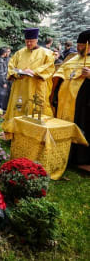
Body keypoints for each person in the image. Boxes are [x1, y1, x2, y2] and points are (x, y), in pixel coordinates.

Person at [2, 28, 55, 130]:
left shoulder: (47, 53)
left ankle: (36, 131)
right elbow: (11, 66)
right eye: (27, 41)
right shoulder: (19, 53)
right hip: (20, 88)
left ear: (36, 40)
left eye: (31, 41)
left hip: (36, 87)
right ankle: (15, 131)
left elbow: (49, 68)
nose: (29, 43)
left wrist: (34, 72)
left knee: (35, 109)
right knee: (18, 108)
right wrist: (17, 74)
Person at [51, 29, 90, 165]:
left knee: (81, 125)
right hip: (65, 101)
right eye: (78, 45)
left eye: (82, 46)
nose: (78, 48)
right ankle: (64, 152)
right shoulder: (74, 58)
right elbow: (61, 70)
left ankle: (80, 158)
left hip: (83, 103)